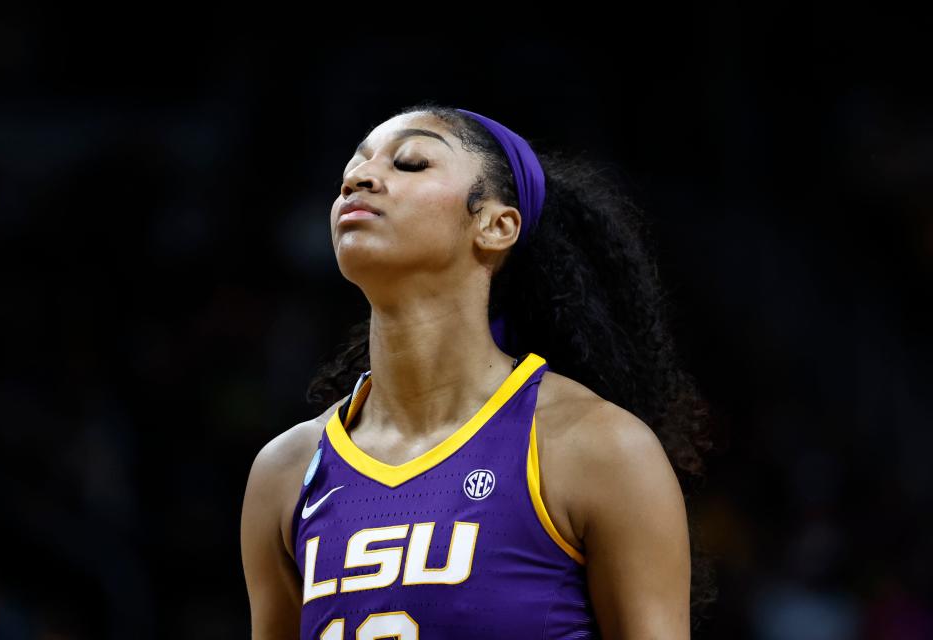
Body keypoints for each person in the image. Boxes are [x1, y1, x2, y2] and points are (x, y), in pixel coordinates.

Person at [241, 100, 717, 639]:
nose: (359, 180)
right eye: (353, 169)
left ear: (495, 225)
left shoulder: (596, 447)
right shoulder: (285, 472)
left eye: (411, 163)